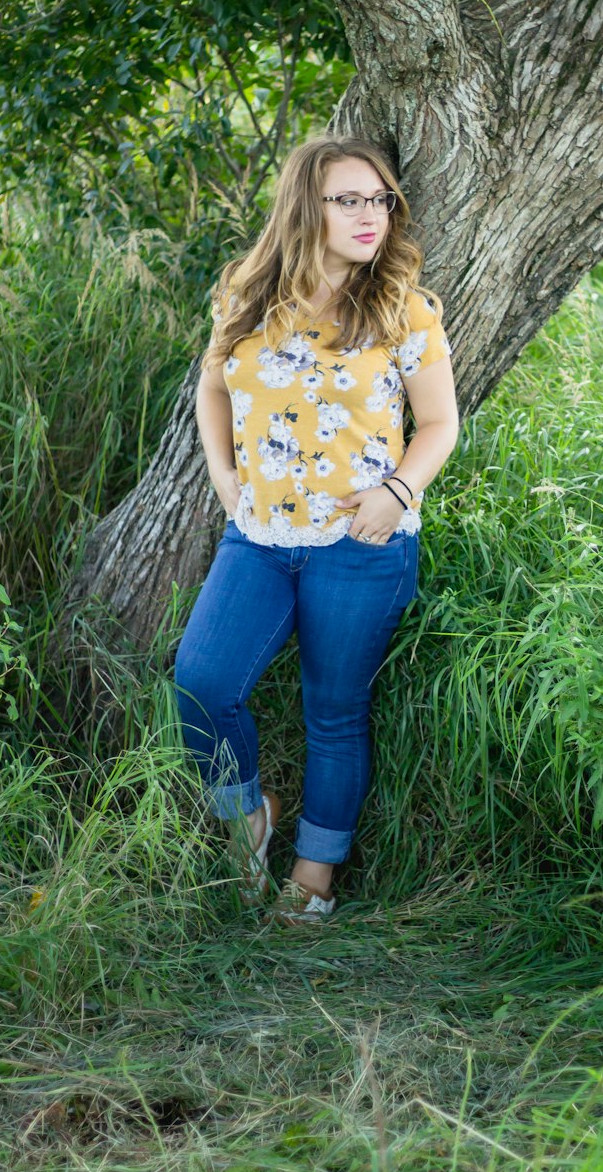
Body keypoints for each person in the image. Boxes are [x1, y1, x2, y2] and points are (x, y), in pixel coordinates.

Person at [173, 135, 459, 924]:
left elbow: (439, 424)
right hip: (259, 540)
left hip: (361, 545)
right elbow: (212, 389)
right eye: (350, 200)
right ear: (308, 208)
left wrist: (396, 494)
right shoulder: (245, 295)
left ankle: (312, 883)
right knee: (201, 684)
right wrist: (226, 479)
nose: (372, 216)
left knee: (334, 712)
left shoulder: (402, 306)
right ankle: (248, 816)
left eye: (381, 200)